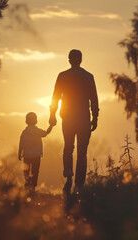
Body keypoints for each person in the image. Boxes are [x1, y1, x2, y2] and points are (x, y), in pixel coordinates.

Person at [49, 49, 99, 193]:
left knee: (68, 148)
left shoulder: (62, 76)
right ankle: (79, 185)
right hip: (83, 117)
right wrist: (95, 117)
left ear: (69, 60)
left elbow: (55, 97)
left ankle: (69, 176)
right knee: (82, 152)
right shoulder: (88, 76)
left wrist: (52, 115)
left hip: (68, 117)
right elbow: (94, 99)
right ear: (81, 60)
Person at [18, 112, 53, 191]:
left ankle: (27, 184)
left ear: (26, 121)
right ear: (36, 121)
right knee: (35, 171)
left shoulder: (24, 132)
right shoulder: (38, 131)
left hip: (26, 155)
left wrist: (19, 154)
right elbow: (46, 133)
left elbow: (21, 144)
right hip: (36, 155)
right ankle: (33, 186)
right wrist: (51, 126)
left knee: (26, 171)